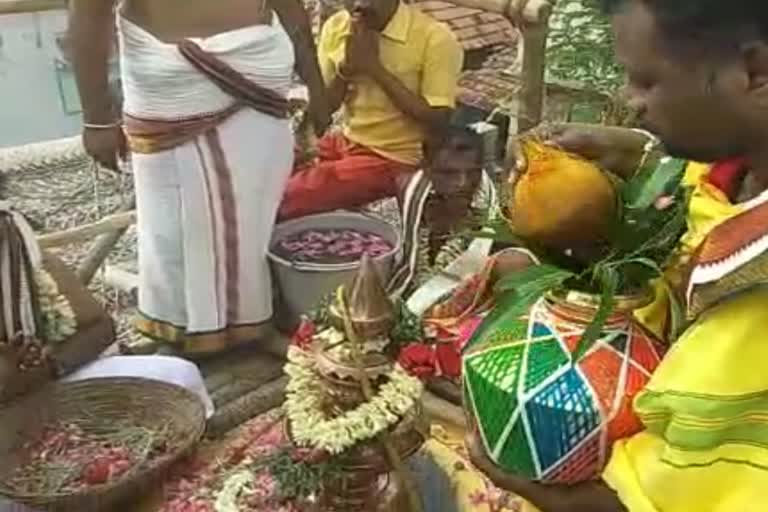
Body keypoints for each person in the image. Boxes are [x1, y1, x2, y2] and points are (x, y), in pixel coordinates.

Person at [465, 1, 768, 511]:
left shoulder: (751, 290)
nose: (631, 102)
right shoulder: (739, 168)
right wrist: (644, 153)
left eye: (647, 81)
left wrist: (562, 502)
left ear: (755, 71)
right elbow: (711, 200)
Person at [69, 0, 329, 357]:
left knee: (256, 211)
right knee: (174, 225)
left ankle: (255, 321)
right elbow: (88, 15)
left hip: (261, 68)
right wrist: (96, 119)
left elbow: (291, 6)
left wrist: (316, 84)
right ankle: (184, 333)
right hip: (170, 75)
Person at [278, 0, 465, 220]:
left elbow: (439, 120)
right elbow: (325, 109)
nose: (360, 4)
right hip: (345, 140)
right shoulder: (337, 27)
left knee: (286, 198)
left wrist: (374, 68)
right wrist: (346, 70)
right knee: (264, 171)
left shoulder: (435, 37)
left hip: (394, 157)